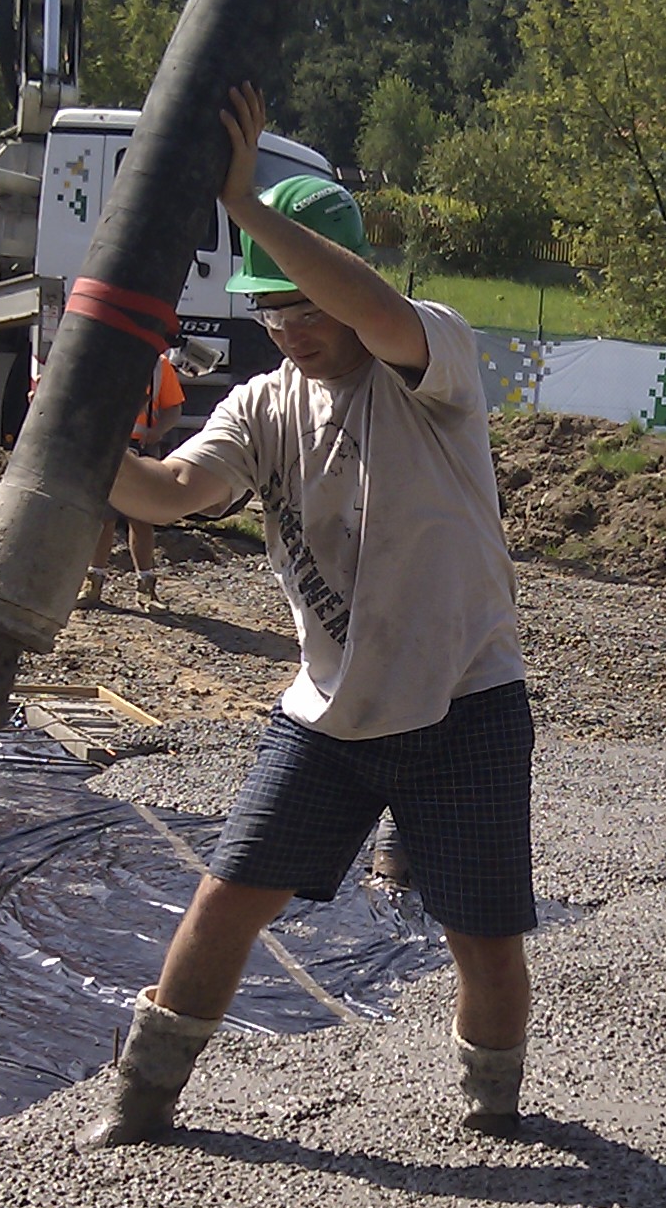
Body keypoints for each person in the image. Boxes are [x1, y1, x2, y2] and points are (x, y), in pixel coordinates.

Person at [76, 82, 533, 1149]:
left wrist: (249, 204)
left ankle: (496, 1117)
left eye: (305, 305)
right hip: (325, 717)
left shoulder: (433, 363)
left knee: (486, 936)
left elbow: (374, 311)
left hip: (464, 701)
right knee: (227, 897)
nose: (292, 329)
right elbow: (178, 493)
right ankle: (141, 1101)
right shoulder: (263, 402)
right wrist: (83, 453)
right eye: (270, 307)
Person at [78, 349, 188, 609]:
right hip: (111, 448)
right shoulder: (107, 357)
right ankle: (93, 583)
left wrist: (157, 431)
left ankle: (146, 589)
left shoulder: (160, 366)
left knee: (141, 519)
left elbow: (173, 408)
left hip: (142, 449)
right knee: (103, 518)